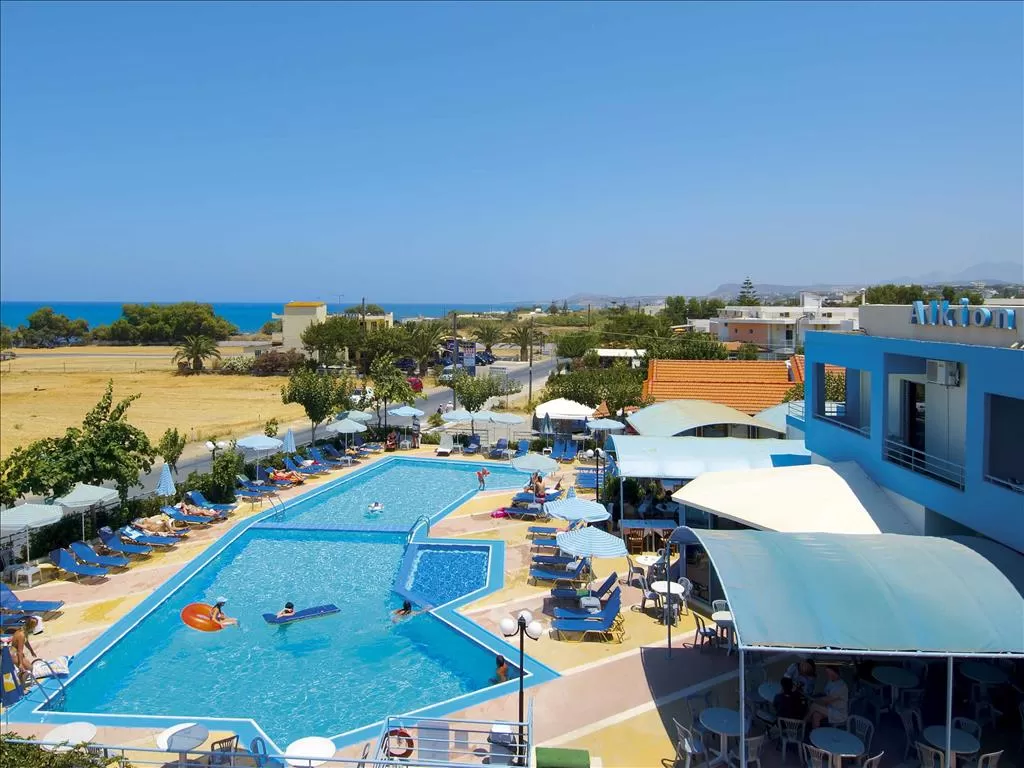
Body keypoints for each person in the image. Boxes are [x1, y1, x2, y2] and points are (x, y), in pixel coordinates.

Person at [10, 616, 38, 687]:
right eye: (35, 626)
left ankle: (20, 684)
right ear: (31, 626)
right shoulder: (21, 635)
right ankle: (20, 687)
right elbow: (19, 651)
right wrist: (20, 664)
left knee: (28, 669)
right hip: (14, 654)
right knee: (28, 669)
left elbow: (26, 642)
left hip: (16, 653)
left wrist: (31, 651)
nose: (35, 627)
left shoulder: (23, 631)